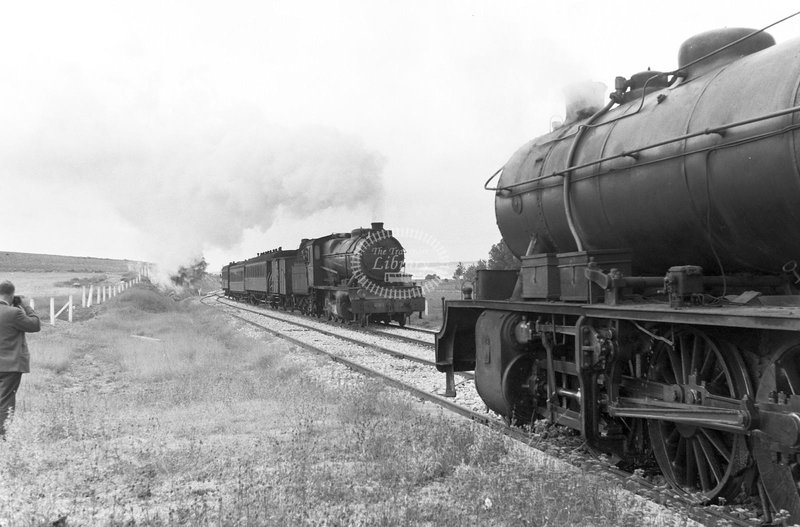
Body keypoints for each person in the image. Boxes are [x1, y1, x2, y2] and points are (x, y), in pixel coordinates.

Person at [0, 280, 40, 437]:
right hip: (11, 365)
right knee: (5, 400)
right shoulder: (14, 313)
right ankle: (3, 436)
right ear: (11, 295)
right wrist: (25, 305)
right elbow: (35, 324)